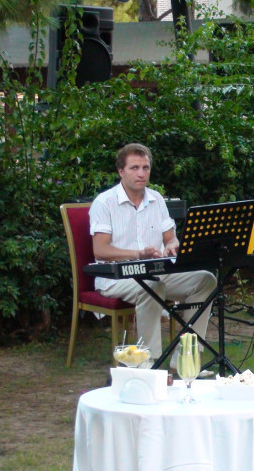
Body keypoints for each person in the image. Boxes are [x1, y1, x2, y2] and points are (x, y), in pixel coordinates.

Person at [89, 143, 217, 368]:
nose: (141, 173)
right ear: (121, 171)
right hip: (116, 278)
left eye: (145, 168)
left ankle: (186, 356)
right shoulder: (104, 202)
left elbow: (170, 238)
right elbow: (100, 250)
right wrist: (138, 254)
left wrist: (172, 246)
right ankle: (149, 362)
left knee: (206, 279)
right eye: (134, 168)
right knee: (152, 286)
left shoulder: (156, 199)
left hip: (156, 271)